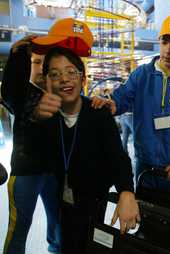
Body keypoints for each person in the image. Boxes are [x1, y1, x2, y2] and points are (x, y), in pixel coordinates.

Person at [31, 45, 140, 254]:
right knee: (66, 243)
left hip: (94, 199)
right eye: (55, 74)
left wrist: (126, 192)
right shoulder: (47, 118)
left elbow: (118, 157)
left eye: (71, 72)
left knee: (92, 244)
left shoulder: (98, 113)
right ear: (47, 83)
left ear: (82, 79)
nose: (64, 79)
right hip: (61, 198)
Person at [91, 14, 170, 196]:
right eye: (165, 42)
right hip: (144, 163)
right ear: (160, 40)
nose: (168, 50)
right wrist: (112, 103)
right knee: (144, 212)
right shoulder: (142, 74)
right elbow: (123, 97)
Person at [1, 37, 61, 254]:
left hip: (55, 174)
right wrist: (18, 55)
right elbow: (10, 89)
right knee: (18, 232)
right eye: (36, 62)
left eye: (46, 63)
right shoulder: (23, 94)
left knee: (59, 228)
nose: (41, 68)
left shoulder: (61, 96)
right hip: (26, 173)